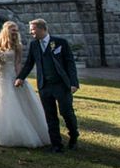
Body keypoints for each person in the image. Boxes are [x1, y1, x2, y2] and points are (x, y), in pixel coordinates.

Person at [0, 21, 50, 147]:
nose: (15, 32)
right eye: (13, 30)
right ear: (6, 30)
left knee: (13, 101)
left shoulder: (17, 45)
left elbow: (18, 63)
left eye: (16, 30)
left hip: (10, 75)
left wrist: (19, 77)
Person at [15, 18, 80, 153]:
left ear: (42, 28)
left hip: (61, 85)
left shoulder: (60, 43)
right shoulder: (34, 45)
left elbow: (70, 63)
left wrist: (74, 83)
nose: (31, 32)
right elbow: (29, 64)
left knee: (66, 112)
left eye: (33, 30)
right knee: (50, 116)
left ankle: (74, 136)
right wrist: (20, 78)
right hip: (44, 86)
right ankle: (56, 145)